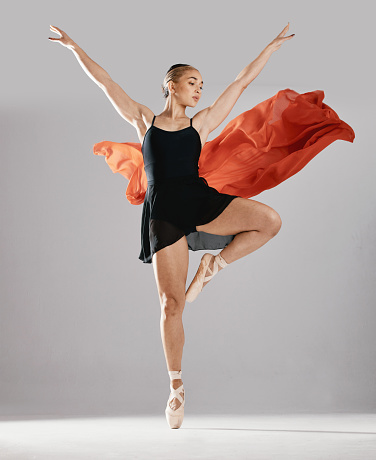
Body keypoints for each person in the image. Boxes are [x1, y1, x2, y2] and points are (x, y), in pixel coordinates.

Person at [48, 24, 355, 429]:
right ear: (171, 86)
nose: (199, 89)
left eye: (201, 84)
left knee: (268, 221)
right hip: (164, 214)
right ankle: (176, 387)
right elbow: (107, 82)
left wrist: (269, 48)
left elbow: (241, 82)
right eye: (192, 82)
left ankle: (213, 266)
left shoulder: (202, 124)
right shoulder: (145, 121)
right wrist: (74, 48)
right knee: (170, 306)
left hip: (199, 200)